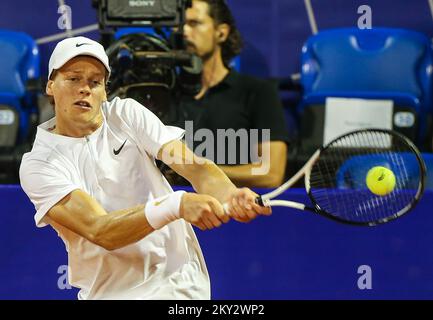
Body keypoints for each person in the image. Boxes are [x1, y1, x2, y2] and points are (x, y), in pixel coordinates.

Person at [19, 36, 271, 300]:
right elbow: (100, 229)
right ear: (50, 85)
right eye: (73, 79)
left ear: (105, 92)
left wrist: (229, 195)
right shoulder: (39, 164)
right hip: (107, 294)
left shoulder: (125, 114)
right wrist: (176, 205)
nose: (85, 89)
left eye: (95, 82)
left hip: (178, 285)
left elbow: (195, 168)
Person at [173, 0, 289, 188]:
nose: (184, 32)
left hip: (234, 211)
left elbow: (271, 173)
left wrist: (199, 170)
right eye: (180, 26)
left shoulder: (257, 92)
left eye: (194, 23)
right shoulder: (163, 94)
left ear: (221, 32)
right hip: (170, 210)